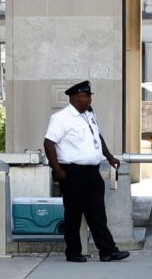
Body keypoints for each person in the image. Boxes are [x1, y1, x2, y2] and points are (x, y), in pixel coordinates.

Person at [43, 80, 128, 264]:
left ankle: (108, 251)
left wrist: (109, 156)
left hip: (92, 172)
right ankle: (73, 252)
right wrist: (57, 169)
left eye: (89, 96)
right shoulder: (62, 118)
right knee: (73, 214)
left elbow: (97, 136)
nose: (89, 99)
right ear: (74, 98)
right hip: (73, 172)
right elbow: (49, 143)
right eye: (86, 96)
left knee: (97, 213)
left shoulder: (88, 114)